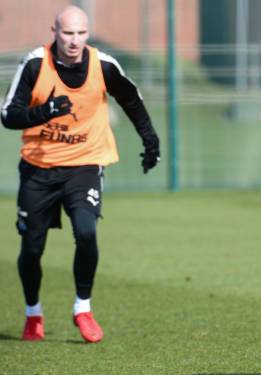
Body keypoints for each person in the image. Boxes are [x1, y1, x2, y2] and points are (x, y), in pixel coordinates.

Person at [1, 5, 160, 343]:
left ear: (87, 34)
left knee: (86, 232)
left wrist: (151, 141)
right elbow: (8, 115)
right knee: (32, 248)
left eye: (80, 33)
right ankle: (33, 314)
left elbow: (131, 99)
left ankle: (82, 307)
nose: (74, 41)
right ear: (54, 32)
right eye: (67, 33)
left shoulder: (103, 64)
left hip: (85, 164)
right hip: (38, 168)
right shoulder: (34, 63)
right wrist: (44, 111)